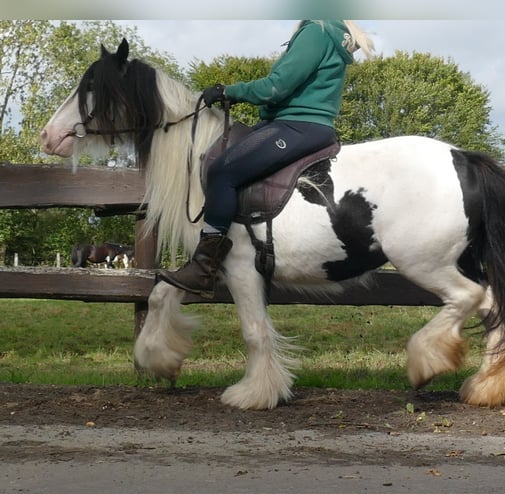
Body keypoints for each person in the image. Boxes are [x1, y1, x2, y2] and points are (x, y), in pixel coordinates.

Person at [158, 20, 374, 298]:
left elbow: (277, 86)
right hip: (300, 125)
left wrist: (229, 92)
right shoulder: (330, 33)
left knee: (222, 171)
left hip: (296, 125)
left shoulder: (316, 32)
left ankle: (204, 267)